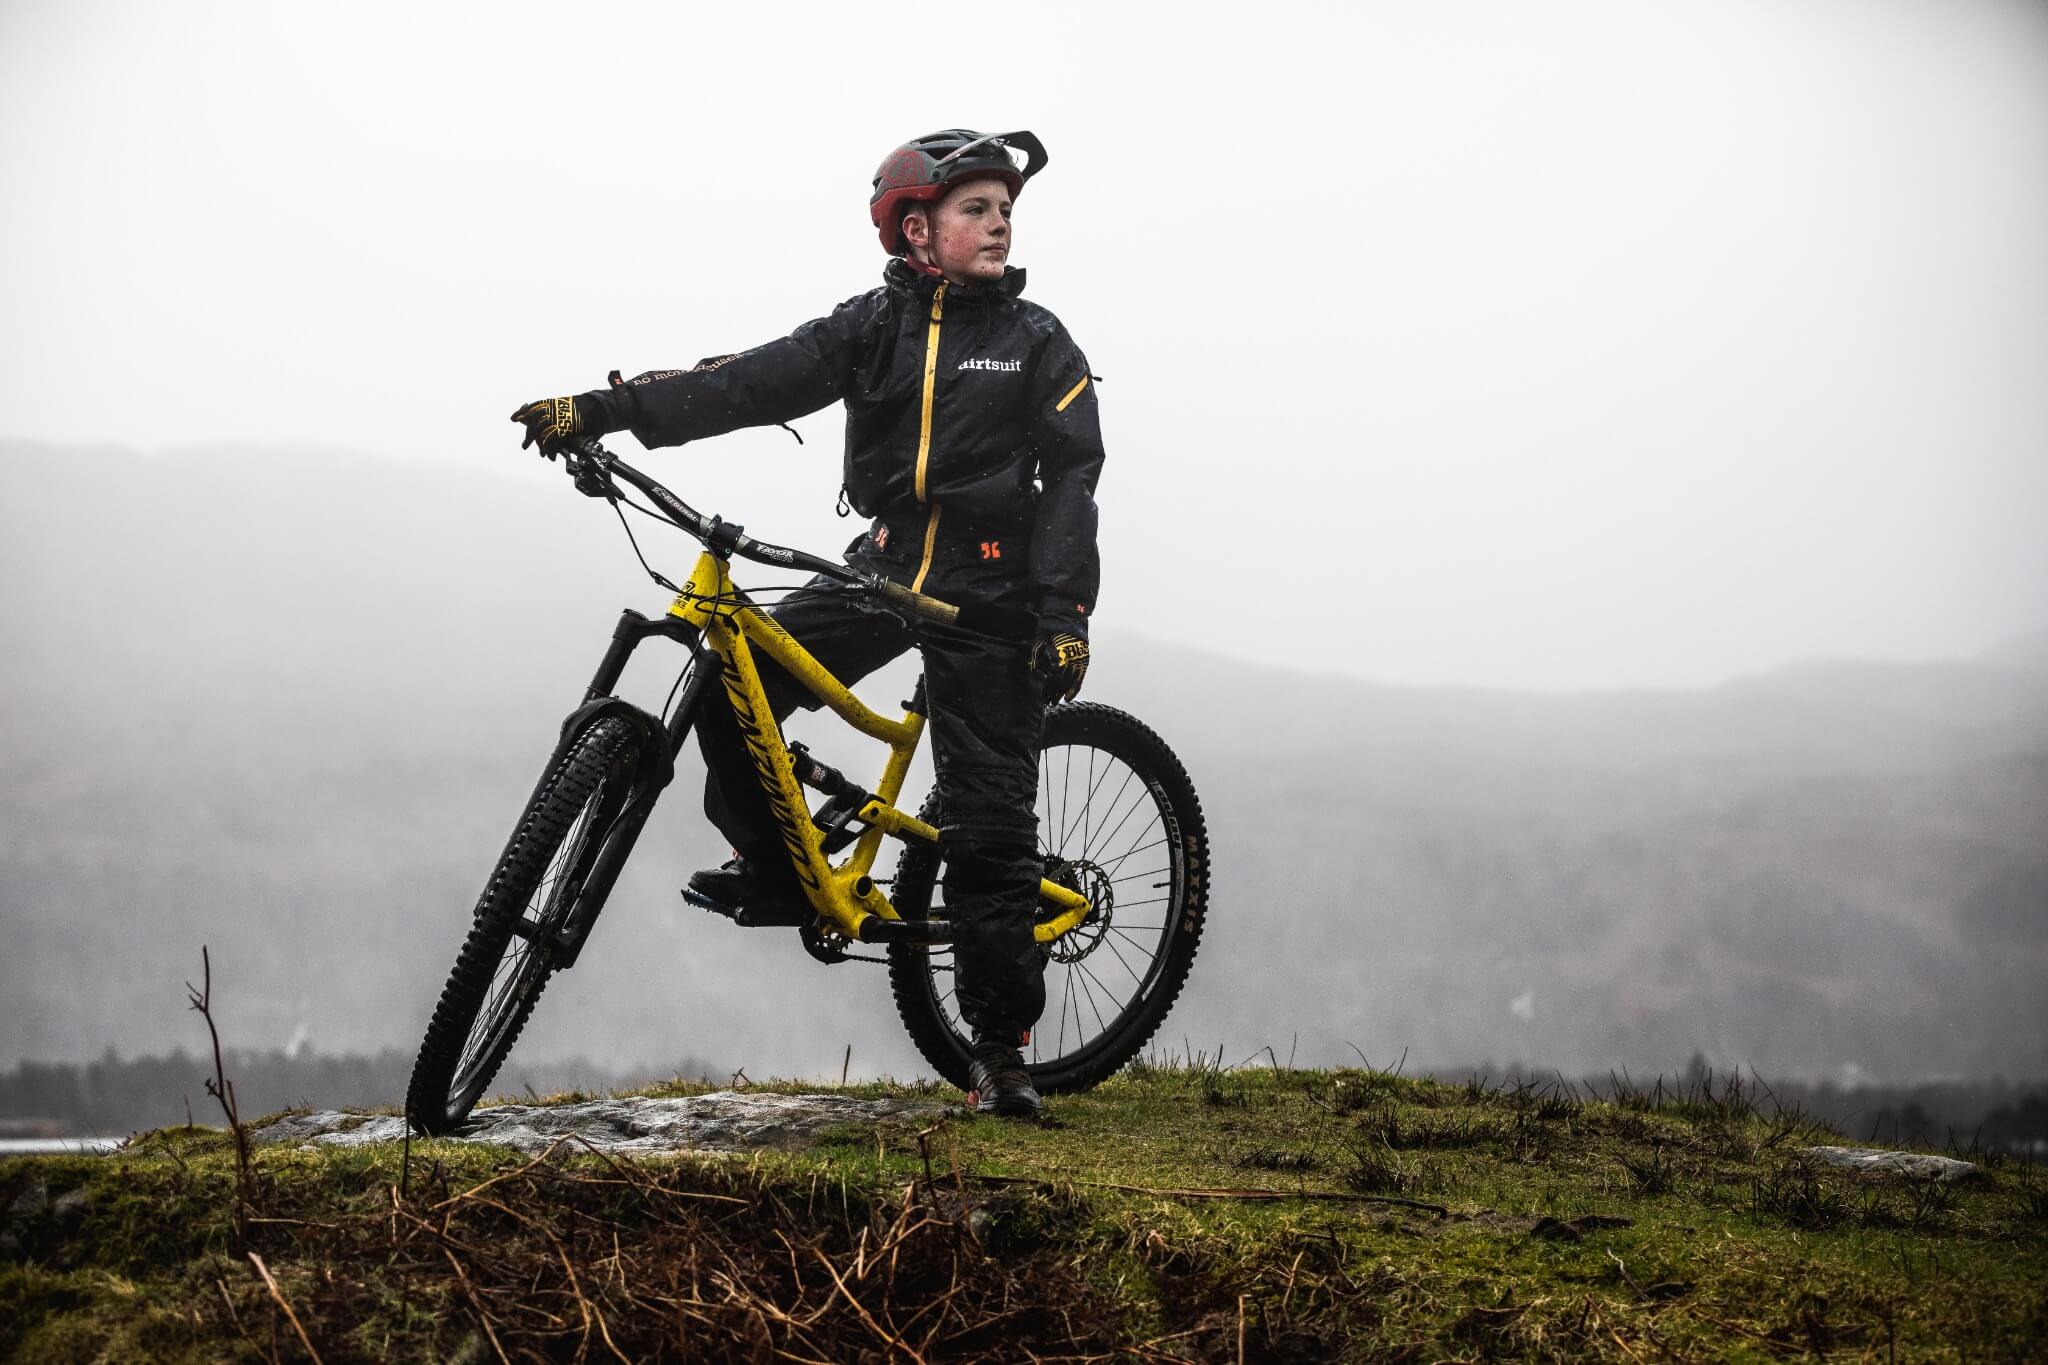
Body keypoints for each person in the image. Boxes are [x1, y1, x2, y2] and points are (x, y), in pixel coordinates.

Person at [510, 129, 1104, 1120]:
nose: (999, 221)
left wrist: (1063, 610)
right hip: (879, 567)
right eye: (976, 207)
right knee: (733, 687)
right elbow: (744, 382)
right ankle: (786, 874)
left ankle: (999, 1049)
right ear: (916, 228)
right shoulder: (867, 327)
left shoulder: (1037, 342)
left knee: (986, 828)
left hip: (988, 592)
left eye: (1006, 208)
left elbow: (1072, 481)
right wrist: (602, 412)